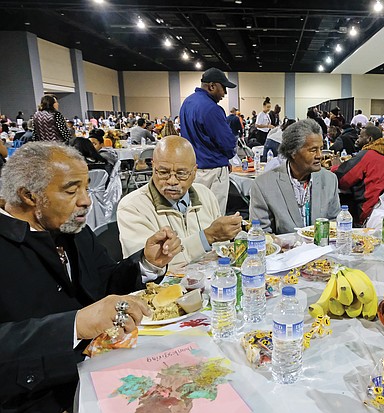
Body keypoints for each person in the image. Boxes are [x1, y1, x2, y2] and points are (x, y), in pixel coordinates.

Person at [0, 142, 182, 411]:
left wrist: (146, 263)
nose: (86, 200)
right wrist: (76, 324)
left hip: (100, 371)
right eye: (72, 190)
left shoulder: (73, 230)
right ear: (29, 196)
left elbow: (107, 283)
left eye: (86, 187)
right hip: (38, 398)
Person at [117, 136, 242, 270]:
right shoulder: (132, 206)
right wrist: (207, 237)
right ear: (153, 167)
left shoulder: (205, 195)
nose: (172, 181)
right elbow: (148, 265)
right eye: (163, 172)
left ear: (194, 172)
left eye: (181, 174)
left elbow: (222, 250)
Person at [250, 119, 340, 234]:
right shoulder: (263, 185)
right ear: (293, 152)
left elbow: (334, 223)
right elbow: (261, 233)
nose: (320, 155)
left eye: (321, 149)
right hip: (284, 250)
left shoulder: (329, 180)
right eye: (313, 150)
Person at [179, 67, 238, 214]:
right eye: (223, 88)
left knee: (194, 213)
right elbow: (227, 143)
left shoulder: (187, 102)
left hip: (193, 169)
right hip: (213, 171)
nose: (224, 93)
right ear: (212, 86)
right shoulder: (212, 108)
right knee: (214, 214)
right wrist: (228, 155)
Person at [334, 125, 384, 225]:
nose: (357, 139)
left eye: (361, 136)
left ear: (369, 139)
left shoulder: (367, 155)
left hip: (370, 211)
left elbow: (343, 179)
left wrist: (334, 166)